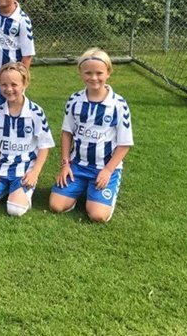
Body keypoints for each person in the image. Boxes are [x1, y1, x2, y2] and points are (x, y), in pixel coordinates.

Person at [49, 47, 134, 223]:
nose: (93, 78)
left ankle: (96, 194)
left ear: (108, 73)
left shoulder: (118, 104)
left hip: (104, 167)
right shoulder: (74, 100)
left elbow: (124, 143)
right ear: (81, 73)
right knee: (56, 206)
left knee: (98, 215)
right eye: (88, 73)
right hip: (77, 166)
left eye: (99, 73)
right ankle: (82, 188)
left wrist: (108, 170)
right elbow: (67, 133)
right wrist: (65, 164)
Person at [0, 62, 54, 217]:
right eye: (4, 84)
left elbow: (44, 146)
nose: (9, 89)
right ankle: (5, 189)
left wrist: (34, 173)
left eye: (14, 84)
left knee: (15, 210)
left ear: (24, 84)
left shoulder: (36, 112)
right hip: (2, 168)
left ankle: (20, 192)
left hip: (24, 169)